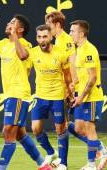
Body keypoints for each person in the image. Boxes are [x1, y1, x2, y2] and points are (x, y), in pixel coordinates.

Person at [0, 14, 52, 170]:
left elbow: (23, 55)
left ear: (20, 29)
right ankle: (43, 165)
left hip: (19, 94)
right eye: (9, 21)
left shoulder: (26, 44)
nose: (8, 23)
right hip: (10, 94)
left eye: (13, 23)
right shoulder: (3, 44)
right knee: (19, 134)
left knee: (8, 132)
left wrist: (14, 37)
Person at [69, 20, 107, 170]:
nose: (70, 34)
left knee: (90, 128)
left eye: (72, 31)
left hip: (92, 96)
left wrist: (81, 97)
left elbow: (92, 78)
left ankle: (91, 165)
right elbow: (82, 76)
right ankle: (103, 150)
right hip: (82, 96)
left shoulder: (88, 50)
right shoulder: (79, 49)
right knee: (77, 128)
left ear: (81, 33)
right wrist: (75, 87)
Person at [29, 24, 71, 170]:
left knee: (60, 129)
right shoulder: (33, 53)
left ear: (51, 37)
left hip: (57, 97)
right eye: (39, 37)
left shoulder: (61, 53)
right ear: (36, 38)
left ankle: (63, 163)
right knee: (35, 129)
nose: (42, 40)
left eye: (45, 36)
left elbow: (68, 76)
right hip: (40, 96)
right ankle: (51, 152)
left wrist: (69, 94)